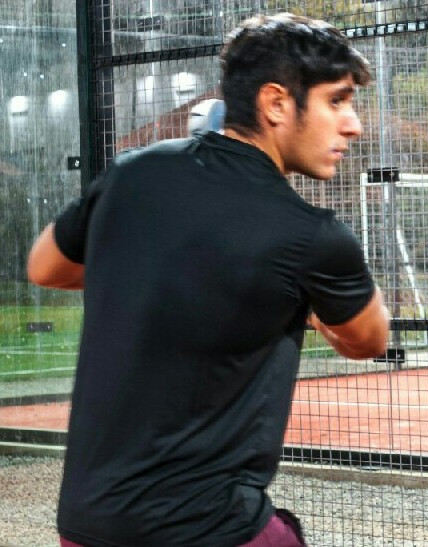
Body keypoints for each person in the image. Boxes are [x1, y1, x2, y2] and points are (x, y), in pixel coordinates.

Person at [27, 12, 389, 547]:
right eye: (336, 101)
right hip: (211, 530)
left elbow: (44, 266)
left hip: (87, 527)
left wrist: (159, 268)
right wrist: (305, 304)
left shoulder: (132, 173)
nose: (353, 124)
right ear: (275, 103)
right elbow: (369, 340)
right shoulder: (310, 235)